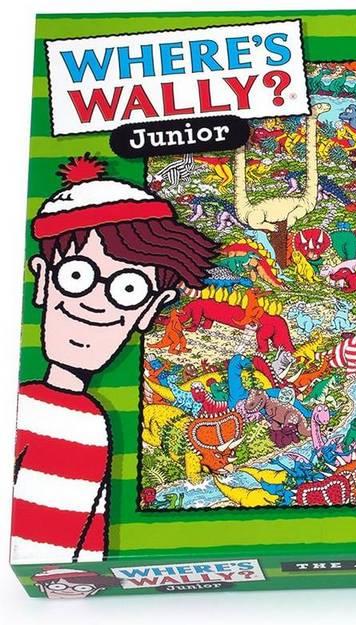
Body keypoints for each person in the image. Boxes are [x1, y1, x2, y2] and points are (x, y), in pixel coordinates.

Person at [13, 155, 217, 564]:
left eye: (126, 289)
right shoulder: (64, 417)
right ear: (44, 278)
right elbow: (47, 557)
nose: (94, 304)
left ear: (149, 309)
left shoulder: (79, 417)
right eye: (77, 276)